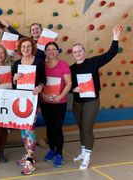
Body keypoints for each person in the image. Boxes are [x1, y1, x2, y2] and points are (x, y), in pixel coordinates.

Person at [70, 25, 122, 170]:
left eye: (80, 51)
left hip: (91, 101)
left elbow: (111, 53)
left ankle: (87, 157)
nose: (78, 53)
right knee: (80, 128)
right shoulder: (71, 69)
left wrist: (115, 38)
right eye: (75, 52)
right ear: (72, 54)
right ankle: (82, 152)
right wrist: (73, 89)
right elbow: (67, 86)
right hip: (77, 102)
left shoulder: (93, 62)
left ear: (84, 52)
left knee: (87, 129)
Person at [12, 37, 46, 175]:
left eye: (28, 46)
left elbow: (44, 79)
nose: (25, 49)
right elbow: (13, 84)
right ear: (20, 48)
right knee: (23, 129)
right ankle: (28, 154)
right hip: (20, 101)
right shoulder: (16, 64)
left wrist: (40, 87)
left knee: (30, 129)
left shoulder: (39, 62)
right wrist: (15, 78)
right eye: (23, 47)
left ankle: (30, 161)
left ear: (32, 48)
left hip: (33, 100)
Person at [39, 42, 71, 168]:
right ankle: (51, 150)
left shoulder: (63, 65)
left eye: (54, 49)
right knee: (49, 127)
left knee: (57, 127)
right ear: (45, 52)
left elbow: (68, 83)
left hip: (59, 103)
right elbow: (38, 82)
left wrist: (59, 97)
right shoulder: (42, 66)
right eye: (48, 49)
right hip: (45, 102)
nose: (51, 52)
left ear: (57, 51)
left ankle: (59, 154)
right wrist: (43, 95)